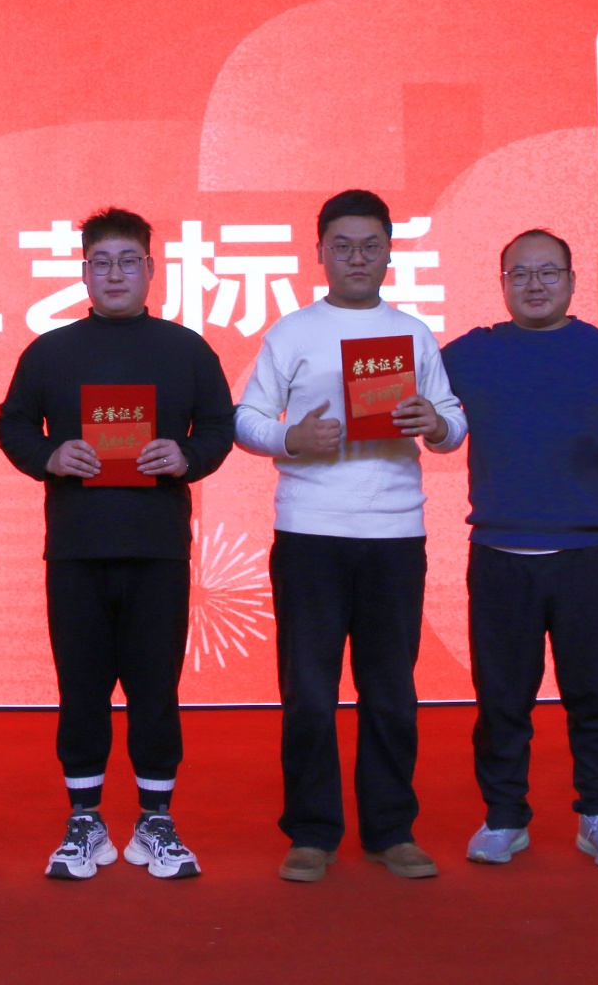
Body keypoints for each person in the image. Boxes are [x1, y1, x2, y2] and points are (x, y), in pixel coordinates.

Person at [235, 189, 468, 884]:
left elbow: (454, 423)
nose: (357, 258)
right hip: (309, 531)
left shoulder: (413, 334)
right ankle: (312, 833)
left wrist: (435, 424)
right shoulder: (292, 333)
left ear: (390, 253)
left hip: (394, 532)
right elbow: (246, 419)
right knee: (309, 691)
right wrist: (292, 438)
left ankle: (391, 830)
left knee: (390, 689)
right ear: (320, 254)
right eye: (343, 246)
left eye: (370, 246)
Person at [0, 207, 236, 881]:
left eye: (128, 261)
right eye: (101, 262)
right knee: (81, 690)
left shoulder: (186, 349)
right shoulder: (51, 352)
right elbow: (12, 425)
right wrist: (50, 455)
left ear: (151, 269)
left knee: (156, 690)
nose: (115, 274)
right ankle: (85, 821)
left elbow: (219, 426)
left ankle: (156, 821)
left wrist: (186, 456)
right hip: (76, 549)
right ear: (84, 272)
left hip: (158, 548)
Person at [440, 228, 598, 870]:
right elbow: (409, 393)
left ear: (573, 282)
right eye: (519, 274)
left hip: (586, 558)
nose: (535, 285)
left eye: (548, 272)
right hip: (499, 556)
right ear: (502, 284)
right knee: (501, 698)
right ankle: (504, 816)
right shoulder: (471, 352)